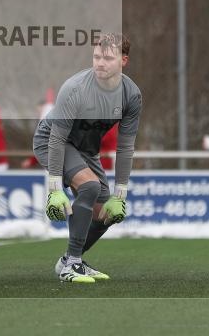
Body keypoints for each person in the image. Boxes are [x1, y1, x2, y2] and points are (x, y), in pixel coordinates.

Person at [33, 32, 142, 284]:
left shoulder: (131, 95)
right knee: (90, 186)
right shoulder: (75, 88)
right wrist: (54, 189)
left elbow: (125, 147)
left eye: (108, 58)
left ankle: (71, 260)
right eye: (96, 56)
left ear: (123, 61)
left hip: (85, 150)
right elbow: (58, 139)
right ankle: (72, 265)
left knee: (108, 213)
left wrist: (120, 195)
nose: (100, 63)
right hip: (52, 141)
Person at [21, 98, 54, 169]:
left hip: (53, 165)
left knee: (54, 179)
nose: (38, 113)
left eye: (39, 110)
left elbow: (43, 146)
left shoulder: (47, 127)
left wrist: (31, 161)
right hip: (54, 164)